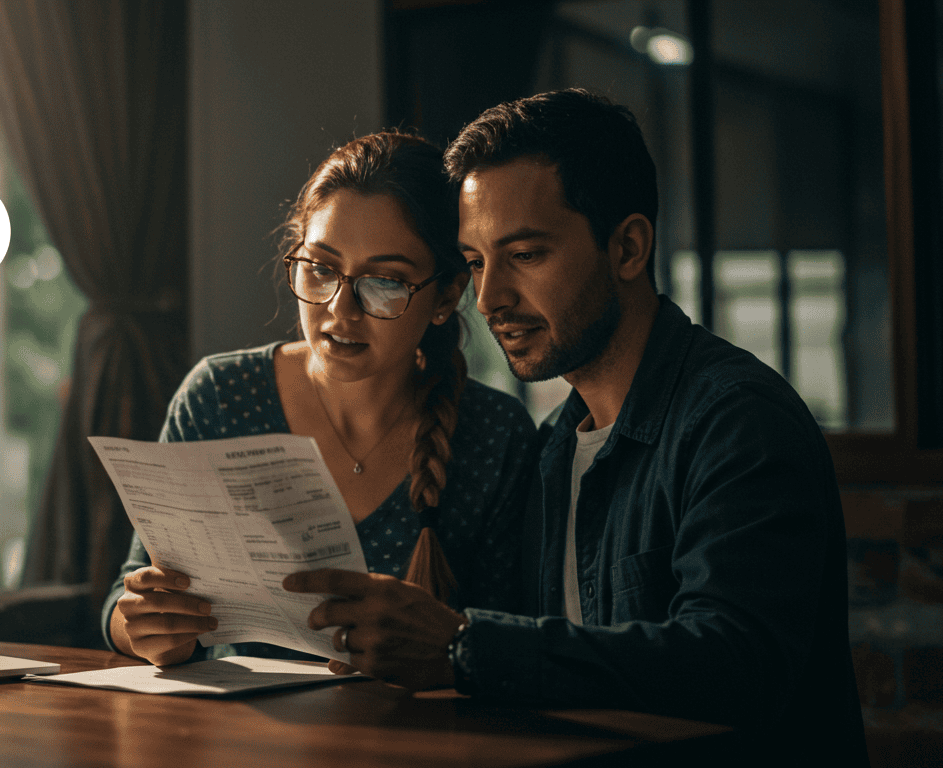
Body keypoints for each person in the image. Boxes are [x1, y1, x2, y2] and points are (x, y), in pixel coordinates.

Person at [283, 89, 868, 763]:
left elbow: (736, 666)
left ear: (627, 247)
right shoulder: (554, 447)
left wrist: (461, 647)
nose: (491, 297)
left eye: (525, 255)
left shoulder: (736, 422)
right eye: (475, 262)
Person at [101, 130, 537, 668]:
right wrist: (142, 626)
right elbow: (130, 595)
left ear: (446, 295)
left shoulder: (495, 435)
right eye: (322, 268)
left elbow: (516, 647)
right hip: (241, 739)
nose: (340, 310)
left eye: (385, 281)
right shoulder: (219, 399)